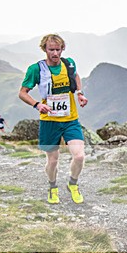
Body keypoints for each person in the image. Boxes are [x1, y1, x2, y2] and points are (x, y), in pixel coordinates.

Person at [18, 34, 88, 204]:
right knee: (53, 159)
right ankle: (52, 186)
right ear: (45, 50)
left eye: (58, 49)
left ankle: (73, 183)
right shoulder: (36, 69)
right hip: (49, 120)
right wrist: (37, 105)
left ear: (62, 49)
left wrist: (79, 93)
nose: (55, 53)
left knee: (79, 156)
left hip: (70, 119)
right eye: (51, 50)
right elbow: (22, 92)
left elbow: (76, 76)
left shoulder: (68, 63)